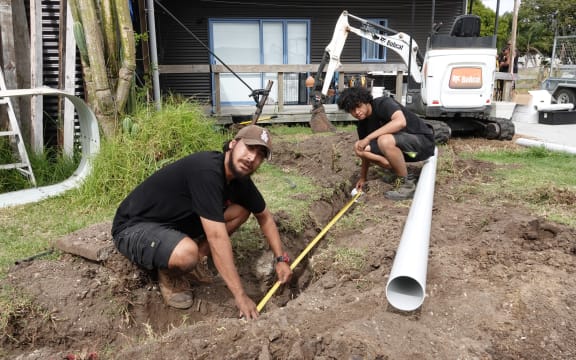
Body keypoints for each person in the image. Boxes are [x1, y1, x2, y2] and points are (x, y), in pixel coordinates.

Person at [111, 125, 292, 319]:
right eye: (249, 148)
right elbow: (217, 237)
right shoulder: (206, 170)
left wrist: (281, 259)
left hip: (172, 225)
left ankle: (196, 260)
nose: (251, 158)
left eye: (260, 155)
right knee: (186, 253)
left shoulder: (240, 180)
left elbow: (264, 216)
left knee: (241, 210)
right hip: (134, 227)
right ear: (233, 144)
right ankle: (169, 274)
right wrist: (240, 296)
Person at [337, 87, 435, 200]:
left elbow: (400, 122)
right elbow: (364, 153)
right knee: (359, 147)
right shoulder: (363, 124)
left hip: (421, 144)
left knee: (384, 140)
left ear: (366, 101)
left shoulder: (383, 104)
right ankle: (394, 168)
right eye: (352, 110)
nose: (356, 112)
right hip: (406, 153)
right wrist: (363, 177)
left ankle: (407, 185)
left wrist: (369, 138)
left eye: (358, 107)